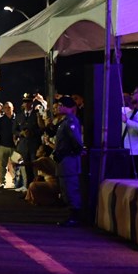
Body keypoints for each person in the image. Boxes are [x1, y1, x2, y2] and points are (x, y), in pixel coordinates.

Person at [54, 96, 84, 227]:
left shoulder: (70, 121)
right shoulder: (64, 121)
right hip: (64, 159)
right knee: (65, 189)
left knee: (71, 188)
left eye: (62, 105)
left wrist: (75, 152)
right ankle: (71, 215)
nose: (59, 107)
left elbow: (76, 141)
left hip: (69, 159)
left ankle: (75, 217)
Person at [0, 101, 17, 188]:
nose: (7, 109)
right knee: (2, 165)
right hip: (3, 146)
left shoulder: (17, 119)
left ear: (13, 108)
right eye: (6, 108)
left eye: (9, 107)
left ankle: (16, 181)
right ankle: (2, 181)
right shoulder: (0, 121)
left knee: (16, 165)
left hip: (15, 147)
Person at [122, 87, 138, 177]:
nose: (132, 95)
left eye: (134, 93)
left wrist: (127, 121)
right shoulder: (131, 112)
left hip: (137, 153)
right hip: (127, 151)